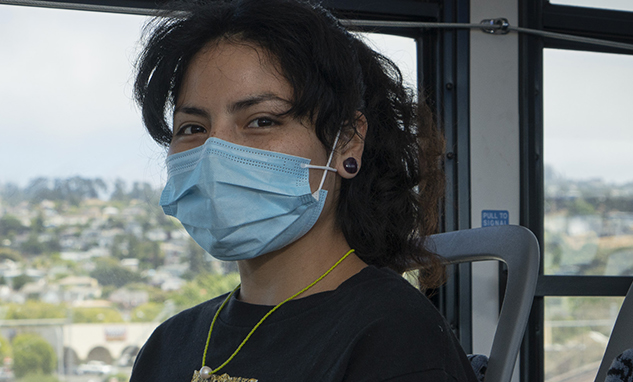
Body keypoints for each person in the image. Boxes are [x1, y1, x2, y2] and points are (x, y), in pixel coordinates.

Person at [128, 0, 475, 381]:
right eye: (193, 128)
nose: (216, 153)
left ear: (346, 142)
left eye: (261, 120)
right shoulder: (168, 345)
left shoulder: (395, 337)